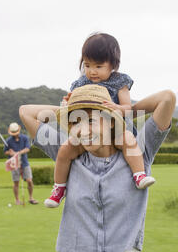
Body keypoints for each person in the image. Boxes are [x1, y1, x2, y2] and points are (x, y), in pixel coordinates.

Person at [19, 85, 176, 252]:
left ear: (111, 122)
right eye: (75, 122)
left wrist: (123, 111)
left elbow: (167, 99)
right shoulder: (66, 153)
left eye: (91, 120)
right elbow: (26, 112)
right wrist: (68, 107)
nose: (83, 130)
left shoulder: (139, 152)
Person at [44, 32, 155, 208]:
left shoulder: (119, 81)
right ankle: (59, 189)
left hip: (115, 130)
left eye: (98, 66)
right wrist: (66, 103)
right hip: (88, 132)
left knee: (128, 140)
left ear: (113, 65)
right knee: (65, 150)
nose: (92, 71)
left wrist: (119, 108)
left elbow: (128, 107)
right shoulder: (80, 83)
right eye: (87, 65)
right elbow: (71, 104)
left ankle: (139, 174)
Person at [3, 122, 38, 205]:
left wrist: (18, 153)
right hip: (14, 164)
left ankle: (31, 198)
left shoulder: (25, 138)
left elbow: (27, 149)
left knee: (29, 180)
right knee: (16, 182)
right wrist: (10, 153)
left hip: (24, 162)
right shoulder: (8, 141)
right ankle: (17, 200)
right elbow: (5, 152)